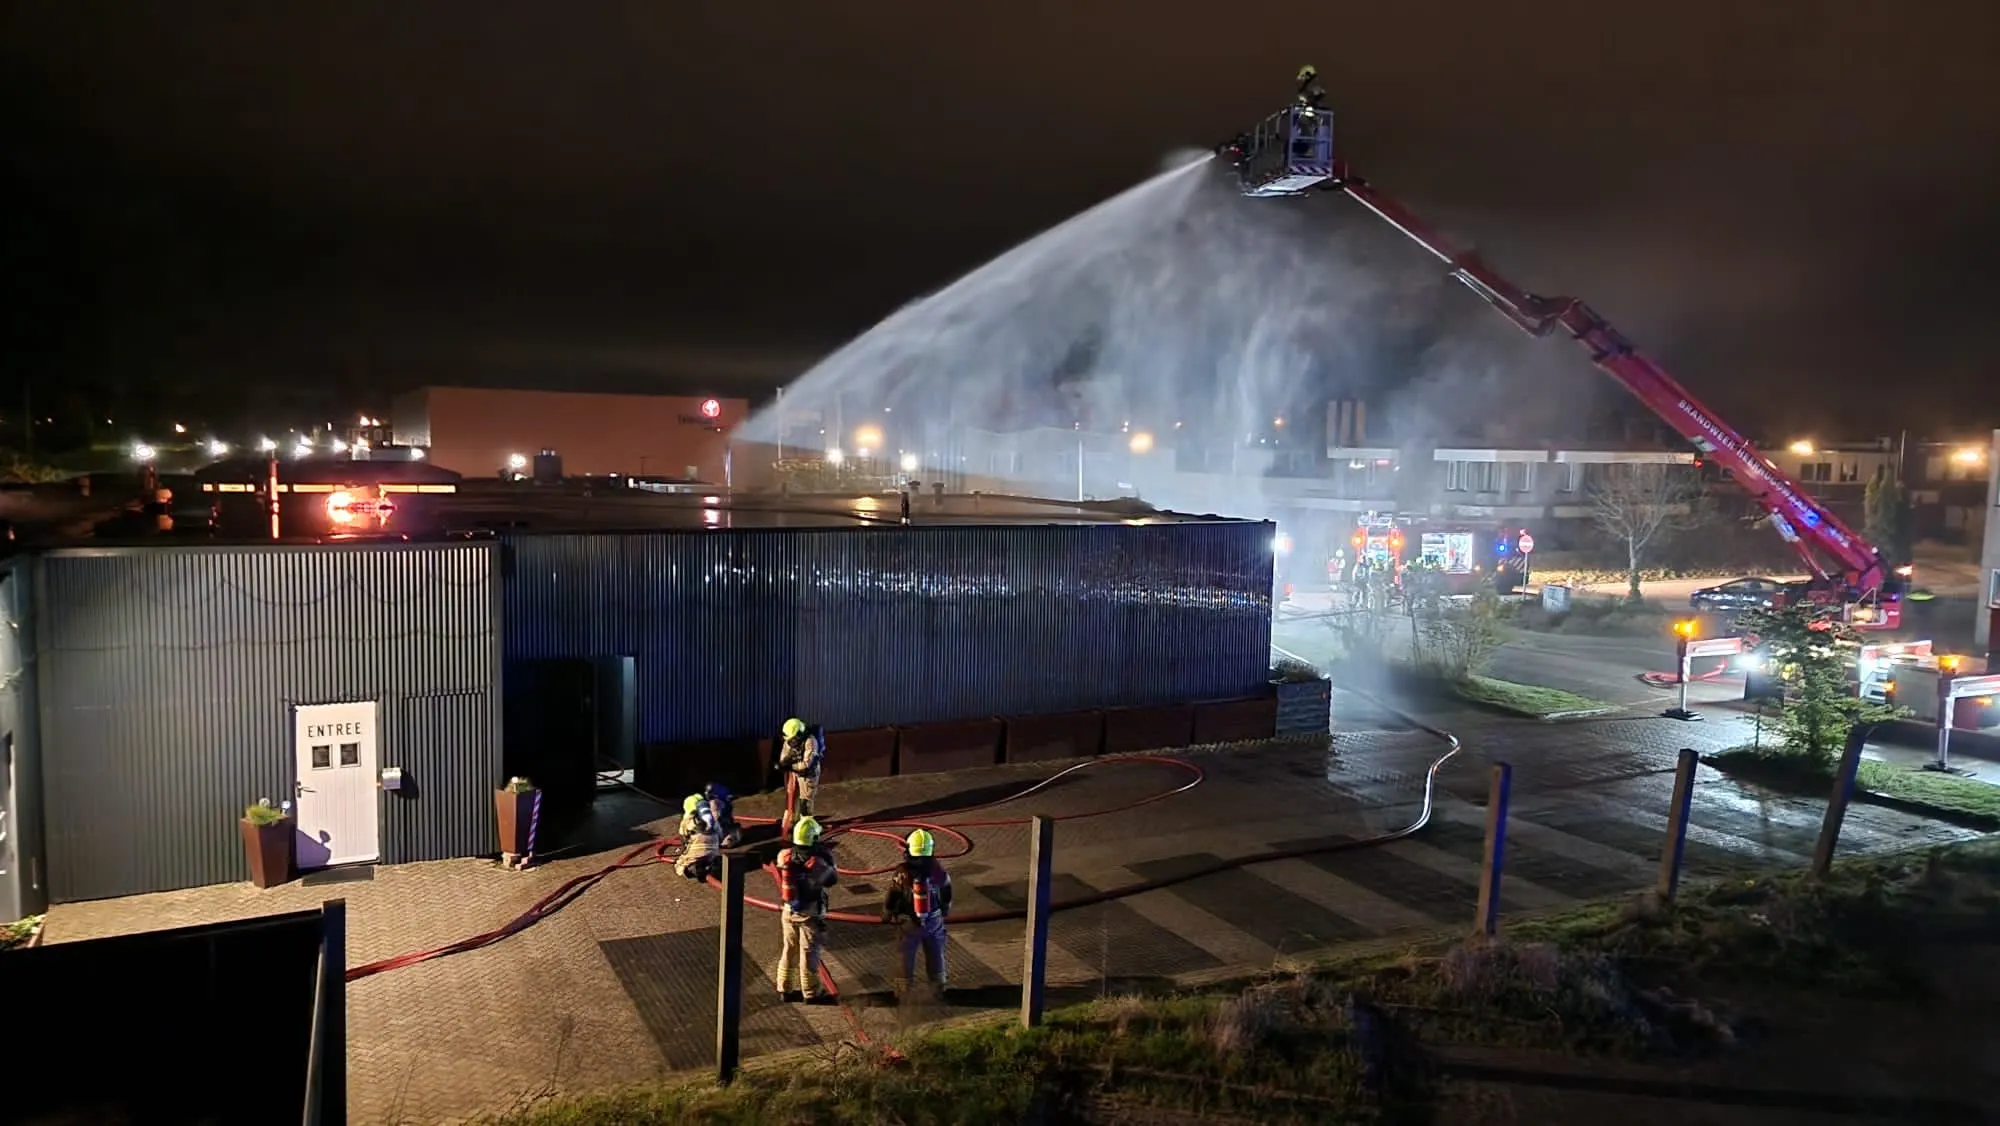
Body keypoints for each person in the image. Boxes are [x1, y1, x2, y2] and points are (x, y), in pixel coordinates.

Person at [882, 828, 953, 1001]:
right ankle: (938, 987)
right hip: (934, 920)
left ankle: (903, 990)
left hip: (908, 922)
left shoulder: (901, 872)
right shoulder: (937, 870)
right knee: (936, 953)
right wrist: (944, 910)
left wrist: (887, 914)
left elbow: (892, 895)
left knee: (905, 955)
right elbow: (947, 892)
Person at [774, 816, 838, 1004]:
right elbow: (832, 880)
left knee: (789, 949)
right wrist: (827, 860)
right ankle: (811, 993)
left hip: (788, 911)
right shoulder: (816, 863)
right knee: (809, 952)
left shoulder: (784, 855)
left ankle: (784, 988)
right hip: (810, 913)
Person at [776, 717, 824, 836]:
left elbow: (807, 764)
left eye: (793, 739)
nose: (791, 742)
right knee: (790, 798)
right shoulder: (789, 741)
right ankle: (792, 822)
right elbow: (784, 754)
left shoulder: (810, 741)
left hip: (808, 775)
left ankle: (806, 828)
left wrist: (790, 766)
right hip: (794, 772)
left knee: (805, 802)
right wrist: (782, 763)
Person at [674, 793, 720, 881]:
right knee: (708, 856)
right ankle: (711, 863)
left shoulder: (687, 820)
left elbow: (683, 838)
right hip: (714, 848)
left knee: (679, 866)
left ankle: (695, 869)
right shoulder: (712, 818)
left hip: (697, 849)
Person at [703, 782, 742, 848]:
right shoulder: (715, 803)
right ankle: (725, 840)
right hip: (716, 834)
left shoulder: (708, 803)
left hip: (709, 835)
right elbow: (717, 819)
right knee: (736, 829)